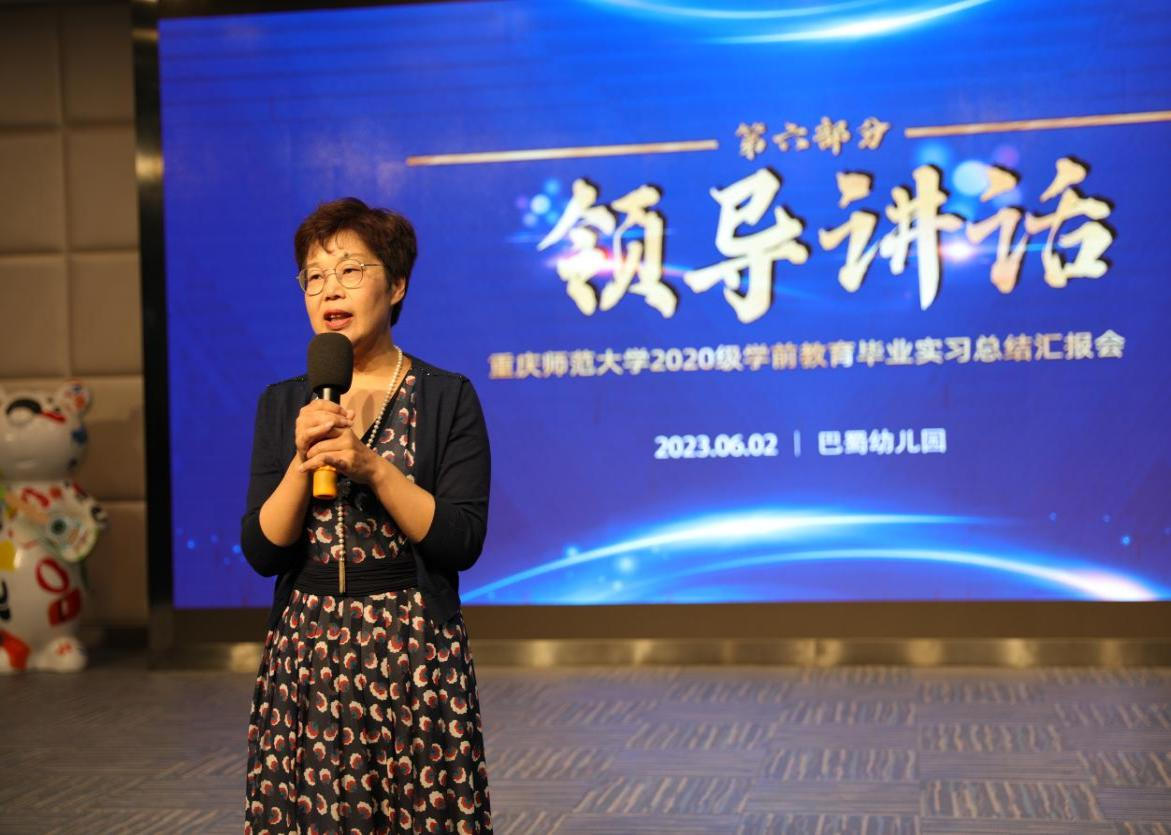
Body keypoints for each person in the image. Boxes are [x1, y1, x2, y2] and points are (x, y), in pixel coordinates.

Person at [240, 197, 492, 834]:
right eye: (315, 276)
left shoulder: (447, 397)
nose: (331, 289)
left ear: (396, 285)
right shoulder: (284, 404)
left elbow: (460, 541)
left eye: (351, 270)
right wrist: (302, 463)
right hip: (308, 653)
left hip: (413, 649)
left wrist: (373, 467)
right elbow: (264, 551)